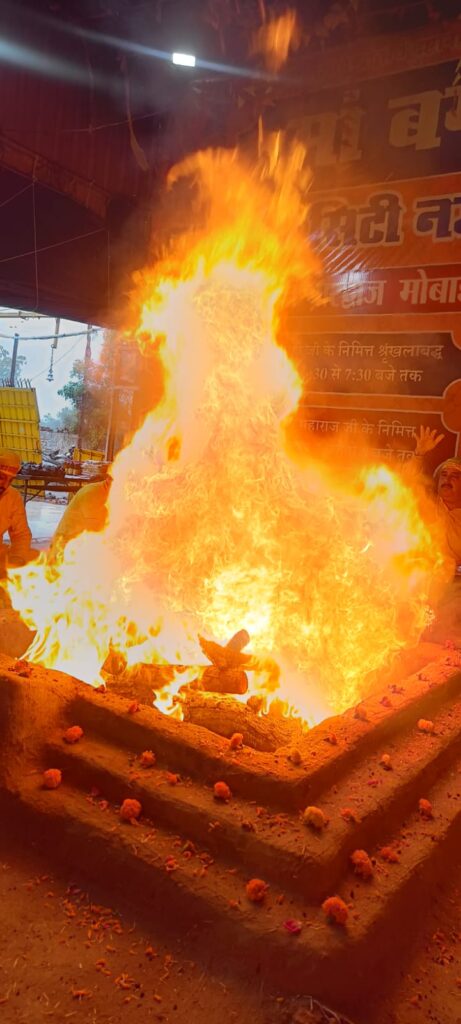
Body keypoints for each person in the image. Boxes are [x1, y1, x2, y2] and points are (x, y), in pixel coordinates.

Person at [50, 473, 112, 554]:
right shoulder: (92, 493)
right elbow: (94, 534)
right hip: (65, 550)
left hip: (79, 546)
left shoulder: (110, 495)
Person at [0, 448, 32, 570]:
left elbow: (21, 535)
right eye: (2, 477)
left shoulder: (13, 497)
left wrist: (17, 559)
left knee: (35, 556)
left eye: (10, 480)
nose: (5, 485)